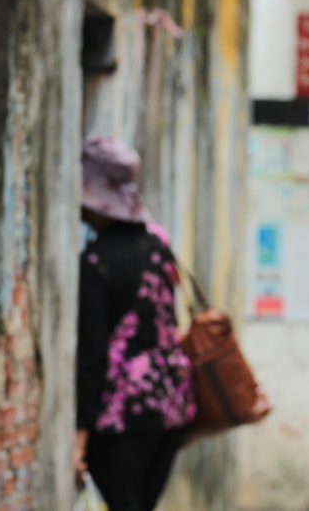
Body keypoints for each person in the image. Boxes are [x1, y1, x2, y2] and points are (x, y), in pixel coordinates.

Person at [72, 135, 196, 511]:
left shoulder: (95, 263)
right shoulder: (158, 242)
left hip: (121, 417)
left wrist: (79, 439)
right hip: (171, 406)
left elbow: (94, 358)